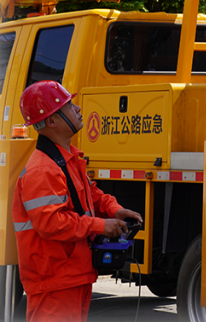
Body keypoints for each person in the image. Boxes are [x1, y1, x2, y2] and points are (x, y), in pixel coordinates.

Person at [12, 81, 143, 322]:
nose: (78, 108)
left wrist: (114, 209)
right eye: (69, 106)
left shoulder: (64, 159)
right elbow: (51, 223)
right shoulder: (43, 169)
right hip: (55, 281)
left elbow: (90, 193)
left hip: (71, 276)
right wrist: (101, 225)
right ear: (52, 121)